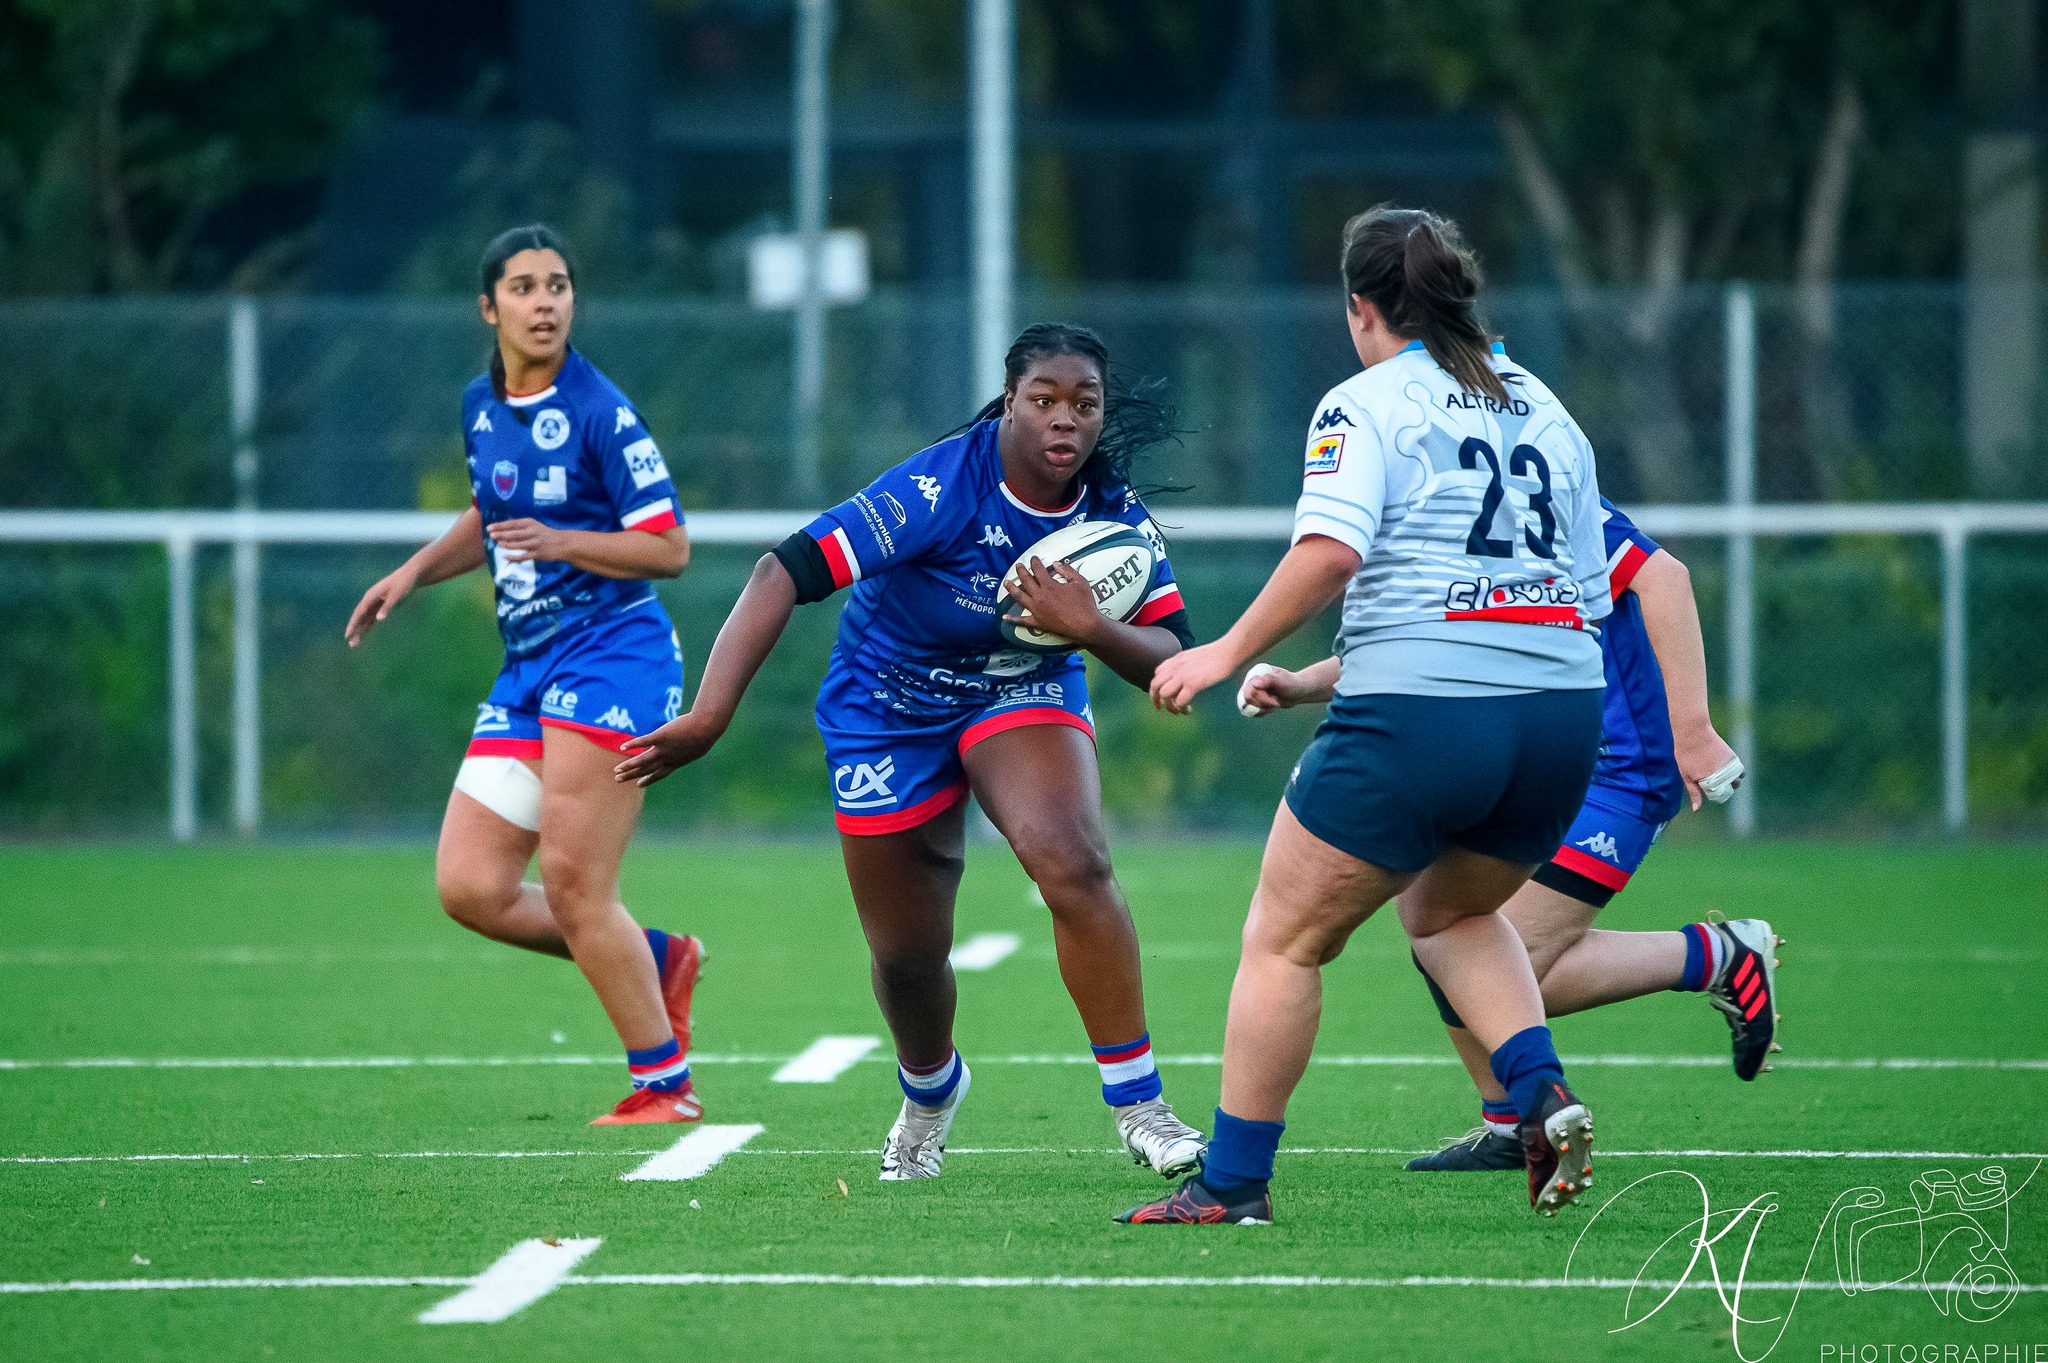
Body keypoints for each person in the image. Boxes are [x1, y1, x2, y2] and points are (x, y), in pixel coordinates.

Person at [615, 323, 1208, 1181]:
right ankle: (930, 1090)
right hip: (886, 704)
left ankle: (1141, 1106)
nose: (1064, 421)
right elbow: (782, 571)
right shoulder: (939, 486)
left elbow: (1177, 662)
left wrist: (1091, 628)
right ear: (1010, 404)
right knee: (907, 955)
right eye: (1043, 399)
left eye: (1084, 404)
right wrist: (709, 717)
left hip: (1019, 689)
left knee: (1073, 861)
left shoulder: (1113, 517)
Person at [1119, 204, 1611, 1226]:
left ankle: (1231, 1185)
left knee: (1283, 938)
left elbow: (1331, 553)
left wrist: (1222, 652)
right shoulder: (1545, 408)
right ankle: (1540, 1096)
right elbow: (1547, 603)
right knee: (1450, 912)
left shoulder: (1363, 402)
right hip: (1560, 715)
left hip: (1426, 723)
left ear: (1358, 309)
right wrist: (1311, 679)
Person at [1235, 497, 1782, 1176]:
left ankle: (1716, 956)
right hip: (1544, 748)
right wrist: (1296, 684)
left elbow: (1663, 576)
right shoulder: (1448, 508)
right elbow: (1414, 646)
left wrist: (1691, 729)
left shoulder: (1536, 490)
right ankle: (1507, 1121)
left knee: (1492, 958)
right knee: (1446, 925)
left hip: (1619, 764)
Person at [345, 225, 706, 1126]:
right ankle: (656, 956)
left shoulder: (601, 412)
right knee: (470, 885)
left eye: (558, 286)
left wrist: (567, 542)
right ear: (490, 307)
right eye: (524, 288)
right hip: (529, 667)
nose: (544, 303)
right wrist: (413, 572)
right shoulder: (479, 402)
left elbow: (668, 547)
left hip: (615, 658)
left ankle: (664, 1085)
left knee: (581, 887)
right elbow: (491, 513)